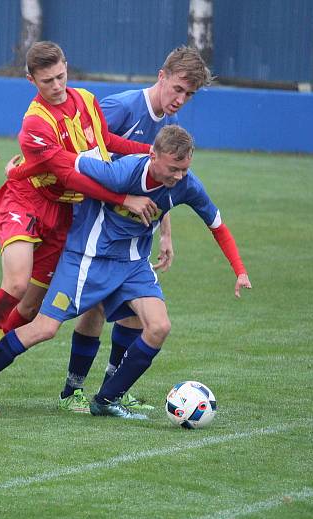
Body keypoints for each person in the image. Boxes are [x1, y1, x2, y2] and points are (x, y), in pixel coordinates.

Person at [0, 41, 158, 416]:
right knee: (15, 285)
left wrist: (149, 152)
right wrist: (124, 200)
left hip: (64, 215)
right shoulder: (34, 126)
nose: (57, 85)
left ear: (66, 68)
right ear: (31, 80)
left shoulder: (87, 99)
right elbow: (72, 174)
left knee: (28, 309)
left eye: (60, 76)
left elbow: (105, 142)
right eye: (47, 81)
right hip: (25, 203)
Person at [0, 124, 251, 418]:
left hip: (133, 265)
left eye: (184, 169)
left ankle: (107, 399)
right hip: (87, 259)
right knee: (44, 328)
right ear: (153, 155)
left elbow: (217, 225)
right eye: (174, 168)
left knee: (159, 327)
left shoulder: (187, 185)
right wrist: (16, 173)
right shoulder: (121, 172)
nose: (179, 176)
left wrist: (240, 270)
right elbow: (64, 162)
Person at [56, 46, 213, 414]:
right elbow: (81, 157)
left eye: (189, 95)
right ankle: (71, 391)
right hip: (95, 222)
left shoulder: (168, 129)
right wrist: (122, 201)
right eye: (177, 89)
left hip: (133, 234)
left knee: (129, 309)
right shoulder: (122, 108)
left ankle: (113, 390)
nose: (181, 99)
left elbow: (160, 184)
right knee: (93, 305)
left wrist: (167, 233)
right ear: (162, 75)